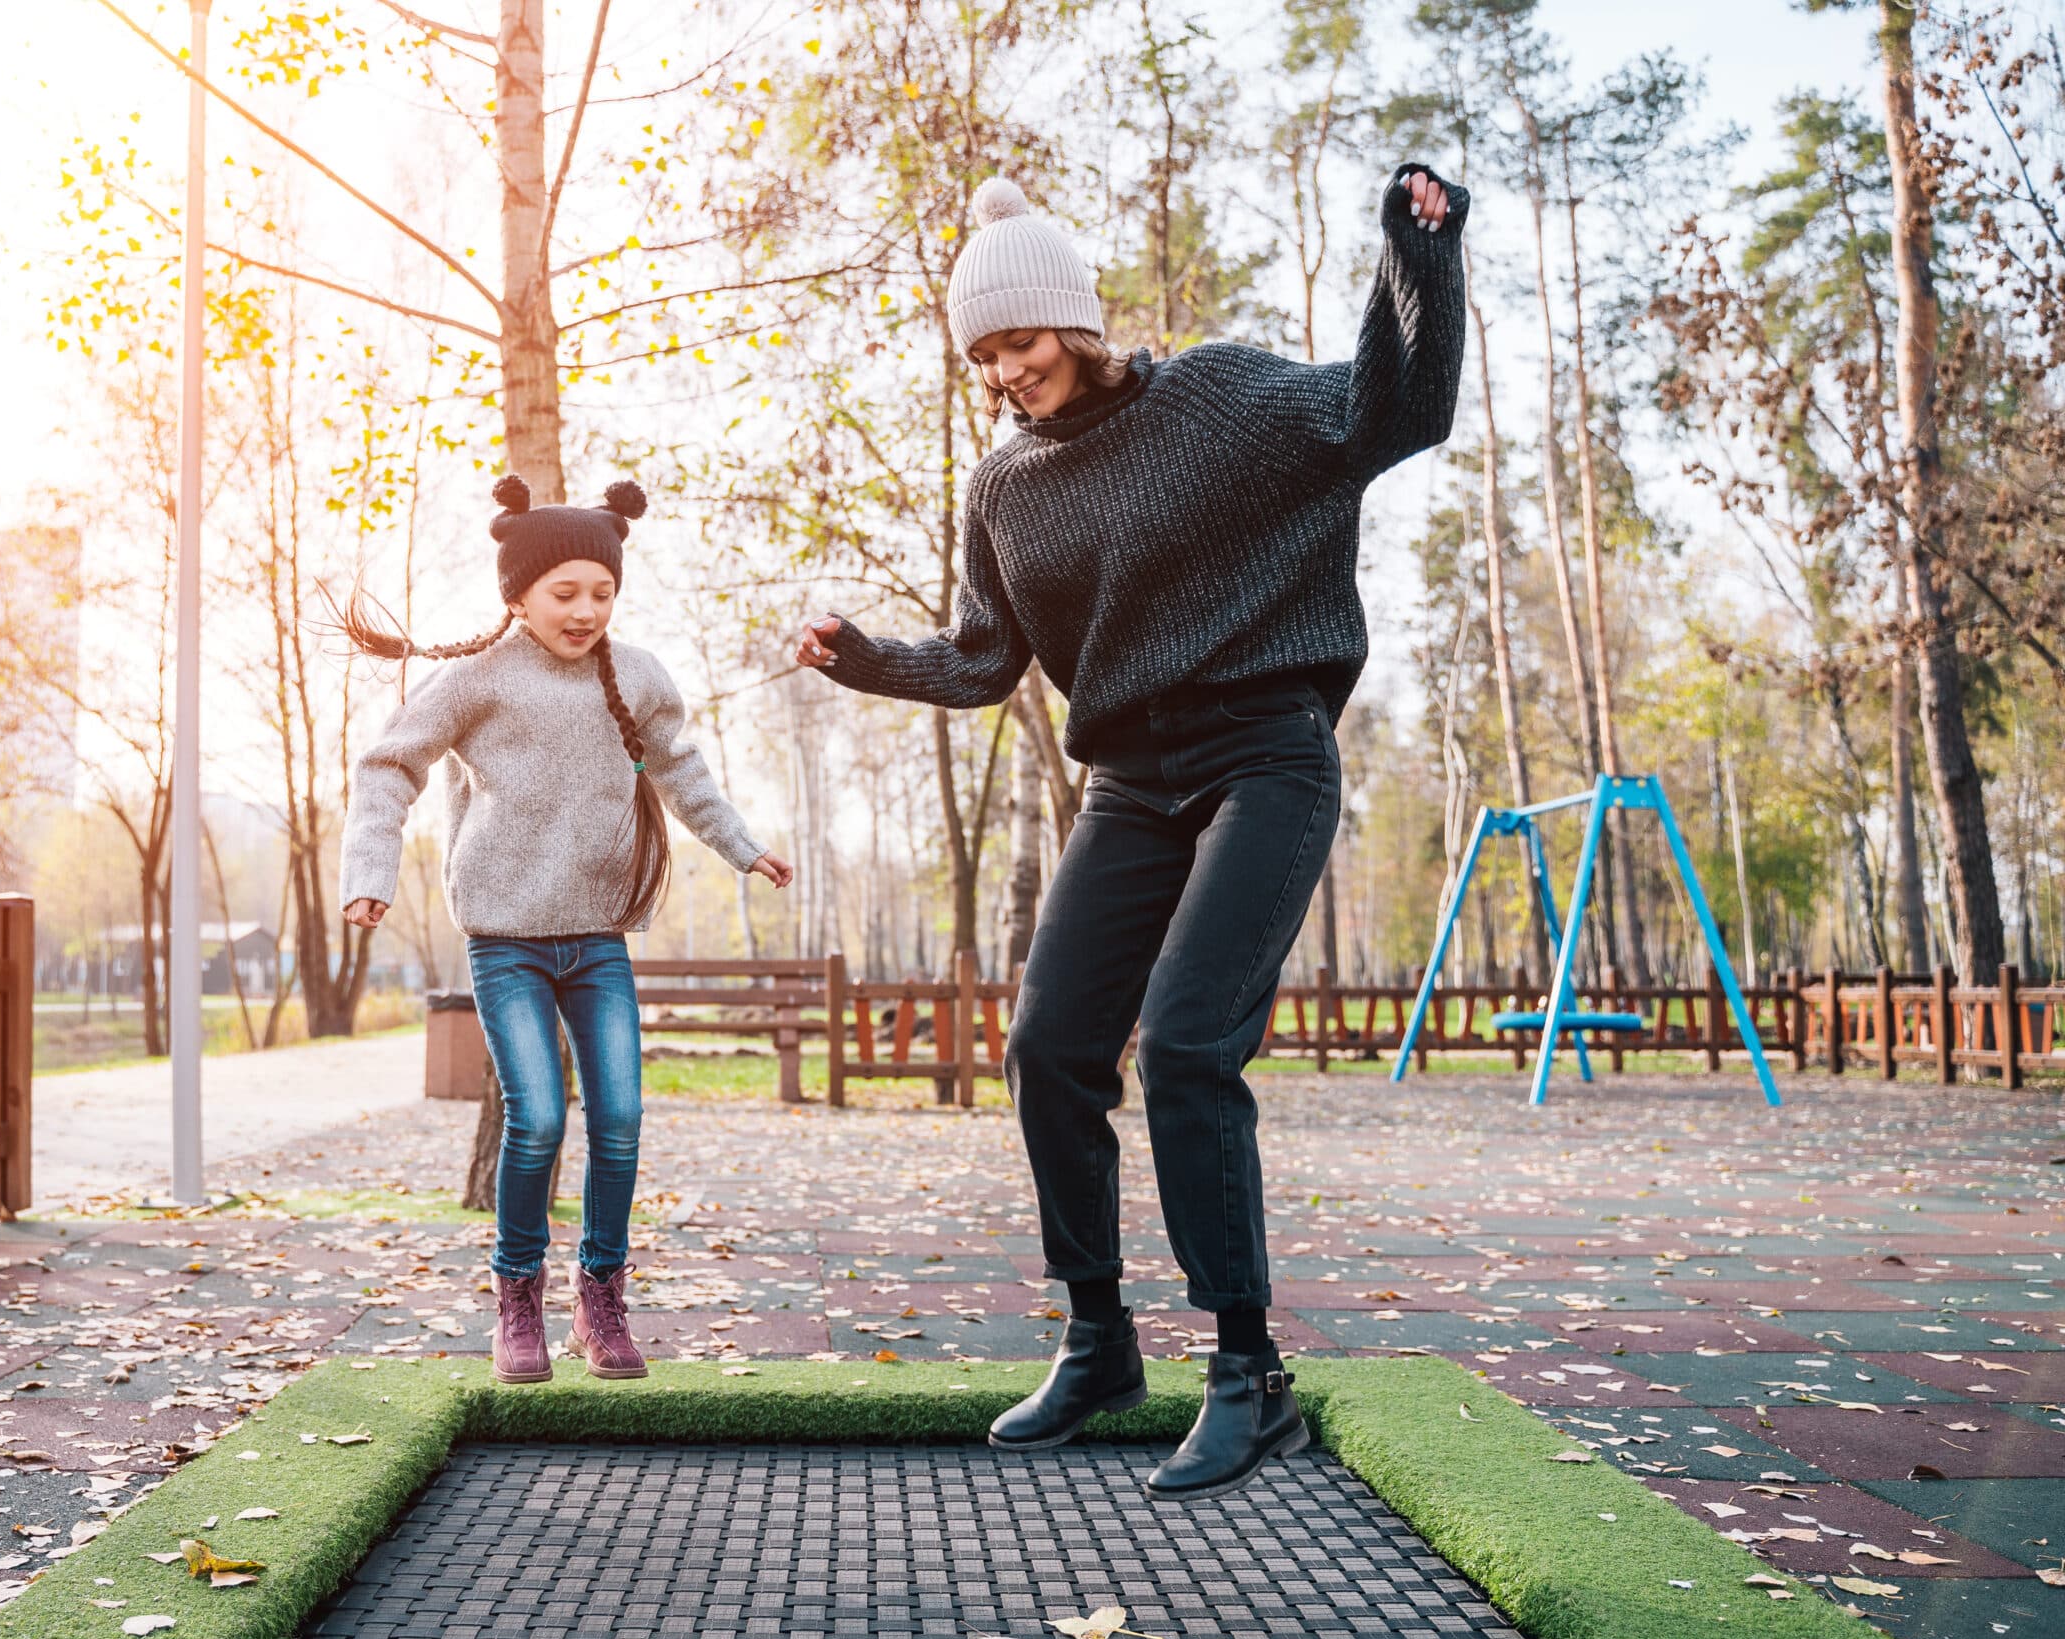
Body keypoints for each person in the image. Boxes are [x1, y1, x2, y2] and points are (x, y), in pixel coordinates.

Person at [795, 165, 1465, 1498]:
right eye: (981, 354)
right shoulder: (1002, 491)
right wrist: (867, 657)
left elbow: (1393, 405)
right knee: (1048, 1045)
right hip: (1132, 783)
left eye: (1022, 342)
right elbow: (987, 657)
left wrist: (1420, 253)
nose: (1003, 372)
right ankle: (1099, 1340)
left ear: (1081, 325)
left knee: (1190, 1044)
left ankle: (1246, 1370)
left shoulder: (1221, 398)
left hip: (1266, 754)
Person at [342, 474, 792, 1384]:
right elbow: (389, 764)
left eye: (602, 590)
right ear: (519, 594)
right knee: (539, 1119)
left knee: (620, 1117)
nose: (586, 609)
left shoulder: (638, 676)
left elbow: (684, 772)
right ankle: (517, 1298)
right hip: (504, 940)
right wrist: (370, 872)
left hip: (598, 940)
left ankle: (600, 1297)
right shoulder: (476, 680)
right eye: (565, 592)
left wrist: (743, 846)